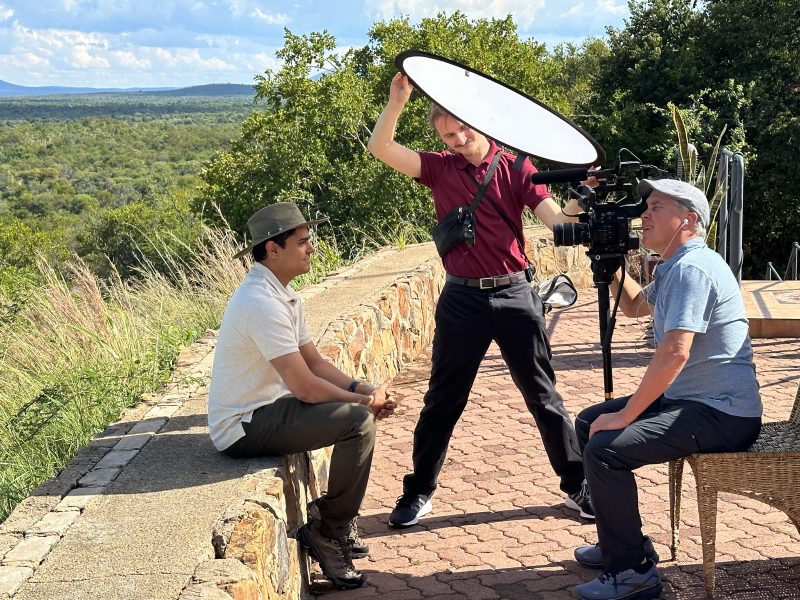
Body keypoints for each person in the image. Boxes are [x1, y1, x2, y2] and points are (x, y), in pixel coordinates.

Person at [367, 72, 590, 528]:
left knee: (543, 397)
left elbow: (557, 224)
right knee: (442, 401)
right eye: (448, 134)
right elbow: (381, 150)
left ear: (481, 121)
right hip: (461, 299)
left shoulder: (517, 168)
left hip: (514, 294)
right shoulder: (439, 167)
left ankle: (576, 486)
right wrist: (396, 103)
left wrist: (582, 197)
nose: (458, 139)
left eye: (463, 128)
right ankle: (419, 492)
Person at [572, 179, 762, 600]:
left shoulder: (693, 269)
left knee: (606, 448)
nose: (644, 215)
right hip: (696, 403)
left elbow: (675, 352)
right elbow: (637, 306)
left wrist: (624, 416)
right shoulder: (677, 265)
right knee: (588, 423)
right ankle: (621, 545)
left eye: (656, 207)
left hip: (723, 415)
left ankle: (634, 574)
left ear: (688, 220)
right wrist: (613, 265)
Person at [207, 202, 397, 590]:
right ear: (272, 250)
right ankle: (329, 531)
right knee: (357, 424)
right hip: (245, 424)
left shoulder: (281, 294)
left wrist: (364, 388)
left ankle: (333, 525)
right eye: (302, 242)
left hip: (272, 408)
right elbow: (305, 387)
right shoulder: (259, 303)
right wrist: (365, 405)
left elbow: (315, 362)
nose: (312, 248)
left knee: (357, 414)